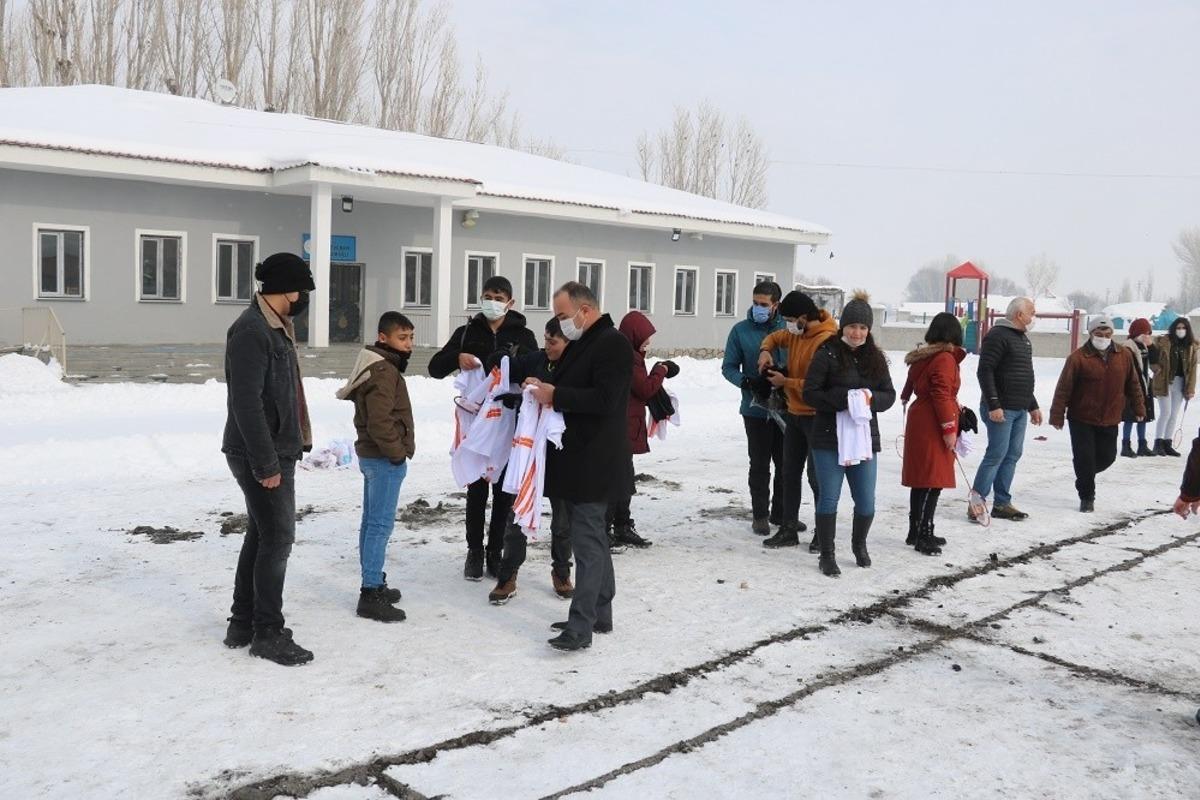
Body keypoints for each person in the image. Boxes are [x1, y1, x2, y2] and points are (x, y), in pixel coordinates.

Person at [220, 252, 316, 666]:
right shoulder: (252, 331)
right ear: (288, 288)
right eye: (302, 289)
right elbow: (246, 404)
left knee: (261, 535)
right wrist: (267, 463)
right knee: (278, 539)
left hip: (272, 449)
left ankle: (243, 622)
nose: (303, 297)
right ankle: (268, 632)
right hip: (261, 452)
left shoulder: (273, 327)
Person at [526, 282, 633, 652]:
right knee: (595, 541)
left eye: (561, 314)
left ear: (584, 311)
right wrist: (544, 386)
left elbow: (605, 399)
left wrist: (556, 396)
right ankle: (600, 613)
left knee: (587, 545)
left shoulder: (613, 344)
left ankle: (581, 625)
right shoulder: (586, 342)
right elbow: (571, 385)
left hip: (596, 462)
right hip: (578, 461)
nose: (559, 322)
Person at [427, 276, 538, 581]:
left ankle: (495, 551)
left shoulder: (523, 336)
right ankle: (474, 551)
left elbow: (536, 368)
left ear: (510, 302)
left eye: (498, 297)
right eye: (487, 295)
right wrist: (456, 357)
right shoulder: (466, 333)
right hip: (475, 424)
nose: (492, 302)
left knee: (504, 492)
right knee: (476, 490)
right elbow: (435, 368)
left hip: (507, 423)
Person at [802, 292, 896, 576]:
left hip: (865, 438)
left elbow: (888, 395)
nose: (857, 333)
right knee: (829, 497)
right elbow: (810, 393)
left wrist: (869, 400)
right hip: (829, 439)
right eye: (853, 326)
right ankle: (827, 554)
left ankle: (859, 544)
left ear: (869, 330)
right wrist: (844, 399)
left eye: (863, 328)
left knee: (866, 500)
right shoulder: (826, 353)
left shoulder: (876, 358)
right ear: (843, 326)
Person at [488, 318, 576, 604]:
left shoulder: (577, 365)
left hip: (562, 452)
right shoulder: (537, 359)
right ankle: (508, 574)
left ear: (569, 342)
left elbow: (580, 399)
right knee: (517, 516)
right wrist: (504, 356)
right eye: (546, 339)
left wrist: (549, 391)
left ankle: (562, 571)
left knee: (563, 521)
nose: (547, 346)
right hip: (528, 452)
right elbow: (504, 366)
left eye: (554, 342)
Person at [336, 312, 416, 623]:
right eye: (402, 338)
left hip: (374, 456)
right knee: (379, 526)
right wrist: (396, 453)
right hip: (383, 458)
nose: (409, 344)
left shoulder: (379, 365)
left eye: (410, 337)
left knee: (371, 523)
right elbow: (380, 421)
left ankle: (374, 580)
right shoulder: (384, 371)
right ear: (383, 338)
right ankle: (370, 593)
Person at [755, 291, 839, 550]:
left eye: (792, 319)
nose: (789, 325)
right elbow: (774, 337)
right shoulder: (795, 333)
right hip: (794, 415)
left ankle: (821, 533)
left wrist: (785, 382)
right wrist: (765, 351)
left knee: (818, 478)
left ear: (804, 316)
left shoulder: (826, 341)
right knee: (789, 472)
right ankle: (788, 528)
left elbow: (822, 386)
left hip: (817, 418)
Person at [1049, 316, 1145, 513]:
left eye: (1108, 334)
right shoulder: (1078, 357)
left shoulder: (1123, 355)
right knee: (1084, 457)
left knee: (1107, 457)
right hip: (1081, 417)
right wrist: (1057, 415)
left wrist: (1139, 408)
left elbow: (1133, 384)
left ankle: (1084, 476)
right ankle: (1087, 496)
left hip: (1110, 416)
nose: (1103, 337)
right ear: (1091, 334)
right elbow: (1063, 388)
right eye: (1099, 334)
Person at [607, 310, 679, 550]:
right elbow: (645, 388)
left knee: (623, 478)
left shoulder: (628, 354)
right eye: (646, 340)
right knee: (619, 480)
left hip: (626, 424)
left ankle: (620, 525)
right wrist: (661, 370)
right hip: (621, 426)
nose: (648, 345)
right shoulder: (627, 357)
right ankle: (610, 528)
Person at [721, 281, 786, 535]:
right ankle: (760, 514)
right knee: (759, 463)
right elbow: (728, 367)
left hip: (786, 408)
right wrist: (746, 381)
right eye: (755, 303)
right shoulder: (740, 331)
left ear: (775, 305)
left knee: (786, 463)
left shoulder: (788, 329)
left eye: (764, 304)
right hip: (754, 408)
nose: (758, 308)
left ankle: (782, 513)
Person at [972, 297, 1043, 522]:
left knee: (1012, 455)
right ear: (1019, 315)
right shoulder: (998, 336)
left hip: (1019, 409)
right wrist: (994, 404)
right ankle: (976, 504)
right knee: (996, 455)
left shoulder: (1023, 339)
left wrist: (1032, 405)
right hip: (1000, 410)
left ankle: (1002, 503)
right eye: (1031, 312)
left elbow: (1021, 376)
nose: (1034, 317)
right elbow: (985, 371)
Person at [900, 313, 966, 556]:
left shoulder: (924, 355)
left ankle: (915, 529)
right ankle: (924, 534)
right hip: (933, 421)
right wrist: (949, 428)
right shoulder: (945, 358)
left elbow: (909, 386)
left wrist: (907, 396)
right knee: (933, 480)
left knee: (922, 479)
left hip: (921, 418)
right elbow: (941, 393)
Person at [1151, 317, 1198, 457]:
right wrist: (1155, 368)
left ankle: (1167, 443)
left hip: (1180, 383)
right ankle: (1157, 443)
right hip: (1164, 381)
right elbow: (1153, 357)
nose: (1181, 330)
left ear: (1188, 330)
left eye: (1183, 328)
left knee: (1173, 414)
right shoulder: (1163, 342)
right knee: (1165, 412)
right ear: (1173, 328)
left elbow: (1193, 368)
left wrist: (1190, 388)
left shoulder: (1191, 346)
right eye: (1178, 327)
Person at [1120, 318, 1157, 458]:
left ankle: (1142, 444)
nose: (1147, 335)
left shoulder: (1145, 346)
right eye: (1145, 332)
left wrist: (1152, 346)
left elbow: (1155, 362)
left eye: (1149, 332)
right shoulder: (1128, 346)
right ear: (1137, 332)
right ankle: (1126, 445)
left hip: (1145, 384)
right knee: (1130, 417)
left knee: (1144, 416)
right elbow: (1131, 367)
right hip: (1131, 387)